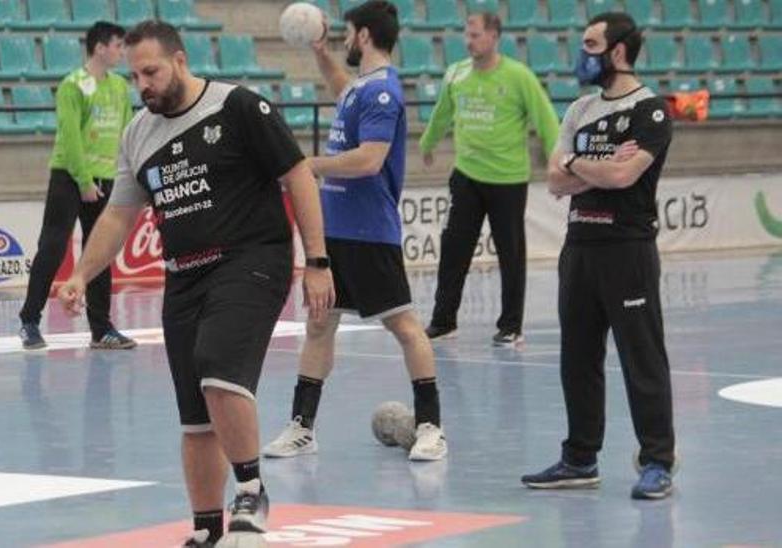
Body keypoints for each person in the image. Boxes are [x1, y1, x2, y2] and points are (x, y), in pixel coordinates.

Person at [57, 20, 334, 547]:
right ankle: (207, 529)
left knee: (217, 372)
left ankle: (251, 489)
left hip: (251, 260)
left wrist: (316, 261)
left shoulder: (237, 107)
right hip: (183, 278)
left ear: (180, 61)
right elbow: (117, 217)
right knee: (194, 418)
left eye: (152, 71)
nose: (143, 84)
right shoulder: (138, 134)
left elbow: (297, 173)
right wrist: (79, 274)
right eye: (136, 75)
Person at [262, 0, 447, 462]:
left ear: (364, 36)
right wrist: (322, 54)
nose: (345, 40)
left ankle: (430, 427)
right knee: (319, 325)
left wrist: (307, 166)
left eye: (347, 34)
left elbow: (369, 160)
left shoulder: (384, 90)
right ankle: (302, 427)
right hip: (335, 229)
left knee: (404, 325)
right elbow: (346, 93)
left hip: (369, 231)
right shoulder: (362, 87)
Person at [520, 12, 677, 500]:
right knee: (578, 359)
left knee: (641, 359)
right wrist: (589, 165)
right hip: (580, 250)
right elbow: (554, 180)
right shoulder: (579, 109)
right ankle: (580, 458)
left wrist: (581, 167)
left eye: (590, 44)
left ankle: (657, 461)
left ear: (618, 52)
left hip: (627, 249)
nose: (580, 53)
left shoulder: (650, 110)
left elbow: (624, 178)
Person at [419, 11, 560, 346]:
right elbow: (442, 113)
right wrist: (428, 143)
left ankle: (511, 325)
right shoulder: (456, 74)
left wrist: (558, 161)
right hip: (466, 175)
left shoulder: (518, 76)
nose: (469, 41)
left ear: (494, 36)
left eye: (476, 35)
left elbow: (547, 122)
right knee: (454, 248)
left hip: (507, 179)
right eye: (467, 35)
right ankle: (443, 320)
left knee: (511, 253)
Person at [18, 21, 137, 351]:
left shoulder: (119, 87)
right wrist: (84, 180)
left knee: (100, 250)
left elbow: (127, 131)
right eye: (117, 45)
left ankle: (101, 328)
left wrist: (124, 173)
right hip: (70, 177)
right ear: (100, 47)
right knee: (53, 246)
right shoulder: (74, 85)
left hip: (107, 177)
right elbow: (69, 138)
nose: (121, 52)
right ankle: (29, 319)